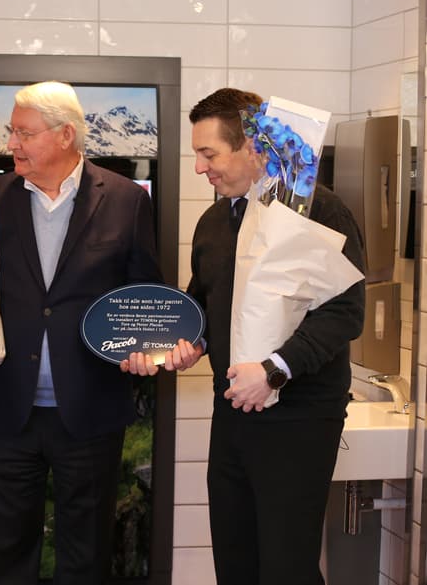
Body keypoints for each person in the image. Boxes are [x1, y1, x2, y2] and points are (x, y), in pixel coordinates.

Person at [123, 87, 365, 585]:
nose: (198, 168)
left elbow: (346, 312)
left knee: (285, 565)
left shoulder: (319, 210)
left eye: (208, 153)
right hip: (232, 409)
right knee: (235, 556)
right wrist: (185, 344)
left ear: (252, 146)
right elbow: (206, 305)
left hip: (299, 414)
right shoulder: (215, 220)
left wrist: (275, 371)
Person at [0, 81, 163, 584]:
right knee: (9, 549)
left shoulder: (126, 200)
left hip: (92, 410)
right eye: (12, 132)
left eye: (23, 133)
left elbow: (144, 295)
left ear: (65, 136)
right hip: (6, 408)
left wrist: (151, 349)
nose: (10, 143)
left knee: (87, 552)